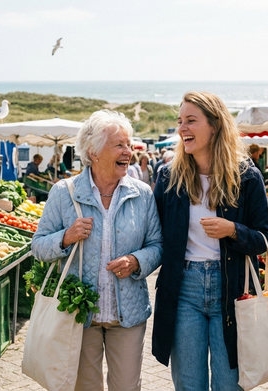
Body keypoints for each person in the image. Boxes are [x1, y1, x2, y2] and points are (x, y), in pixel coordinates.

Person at [31, 110, 163, 391]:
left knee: (127, 387)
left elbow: (158, 245)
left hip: (127, 315)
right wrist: (66, 237)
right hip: (79, 315)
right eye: (119, 145)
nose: (128, 151)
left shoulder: (142, 194)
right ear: (93, 152)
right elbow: (38, 246)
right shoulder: (63, 192)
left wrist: (136, 261)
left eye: (129, 144)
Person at [152, 92, 268, 390]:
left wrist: (233, 229)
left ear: (215, 125)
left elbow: (264, 240)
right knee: (189, 384)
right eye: (180, 121)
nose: (182, 128)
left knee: (229, 383)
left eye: (191, 120)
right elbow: (153, 235)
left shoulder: (246, 177)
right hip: (183, 290)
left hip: (231, 290)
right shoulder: (168, 177)